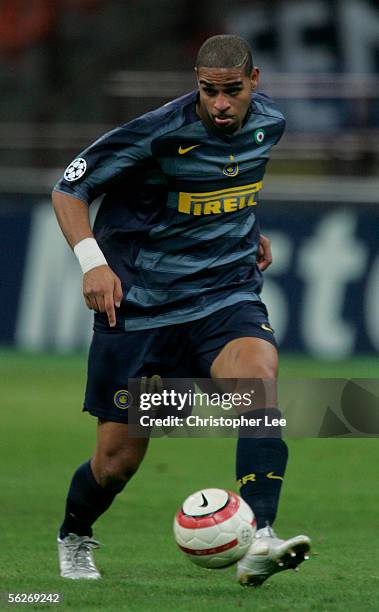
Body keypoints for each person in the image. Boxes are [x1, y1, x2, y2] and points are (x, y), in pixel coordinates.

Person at [52, 34, 310, 586]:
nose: (220, 103)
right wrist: (93, 263)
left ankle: (262, 536)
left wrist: (249, 229)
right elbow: (68, 189)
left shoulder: (271, 125)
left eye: (231, 91)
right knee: (115, 462)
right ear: (197, 83)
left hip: (225, 296)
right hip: (143, 313)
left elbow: (232, 180)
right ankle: (74, 534)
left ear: (254, 82)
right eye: (209, 91)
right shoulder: (159, 132)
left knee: (257, 385)